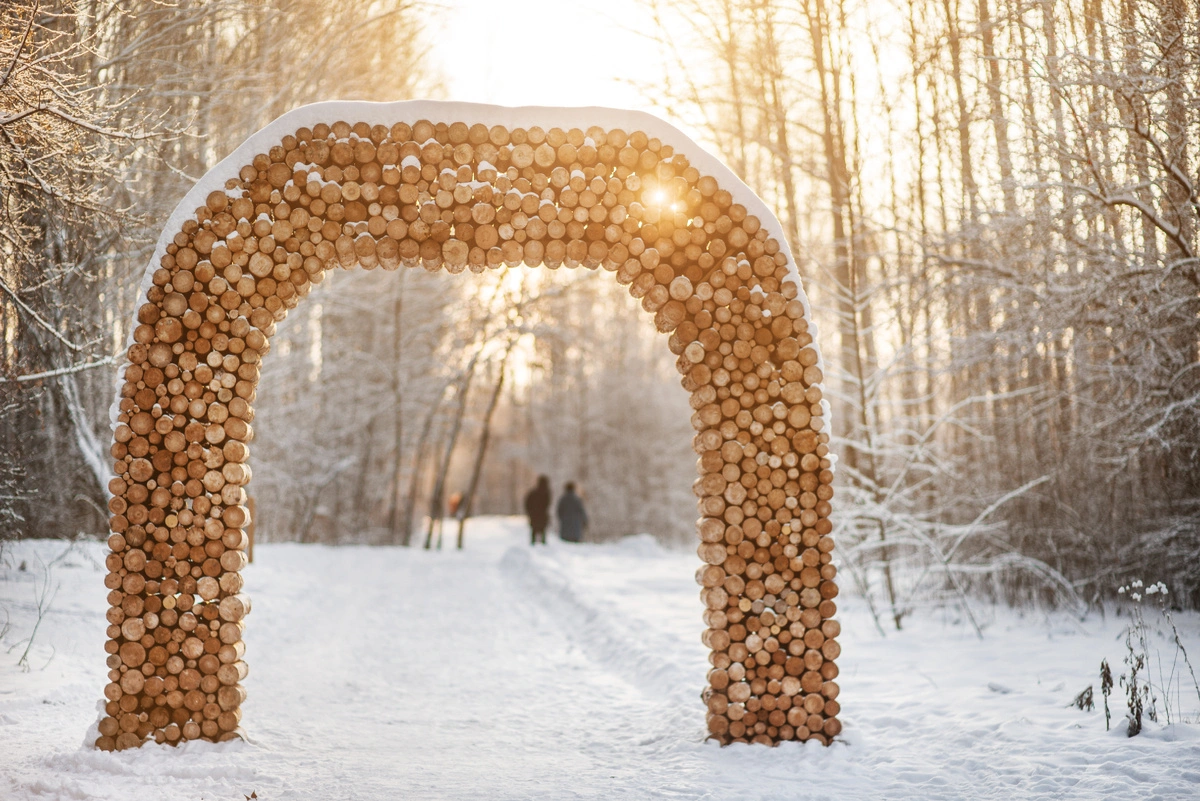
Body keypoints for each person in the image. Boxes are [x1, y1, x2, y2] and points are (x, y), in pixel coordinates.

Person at [524, 475, 551, 545]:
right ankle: (543, 546)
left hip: (534, 515)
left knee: (534, 531)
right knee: (543, 532)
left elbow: (527, 503)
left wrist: (530, 512)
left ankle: (533, 545)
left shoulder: (533, 492)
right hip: (542, 515)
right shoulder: (547, 493)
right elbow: (548, 504)